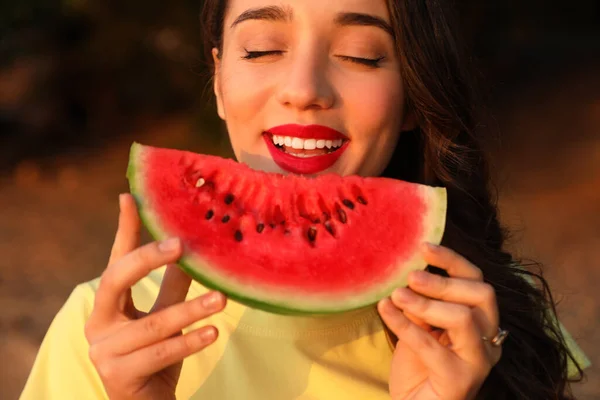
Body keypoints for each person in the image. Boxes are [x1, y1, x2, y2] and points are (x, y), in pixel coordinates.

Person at [21, 0, 591, 399]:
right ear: (218, 81)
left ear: (414, 95)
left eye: (363, 55)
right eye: (263, 48)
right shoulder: (104, 333)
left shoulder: (488, 313)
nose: (304, 89)